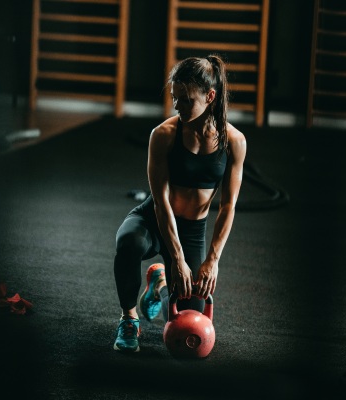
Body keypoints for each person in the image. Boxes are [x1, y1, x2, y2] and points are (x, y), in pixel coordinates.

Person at [113, 54, 247, 352]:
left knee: (188, 313)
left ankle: (159, 283)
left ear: (210, 96)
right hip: (154, 219)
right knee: (129, 242)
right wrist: (177, 259)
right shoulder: (163, 135)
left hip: (191, 230)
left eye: (186, 100)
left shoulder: (234, 142)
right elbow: (160, 202)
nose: (177, 106)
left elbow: (228, 206)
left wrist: (212, 261)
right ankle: (128, 318)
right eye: (175, 98)